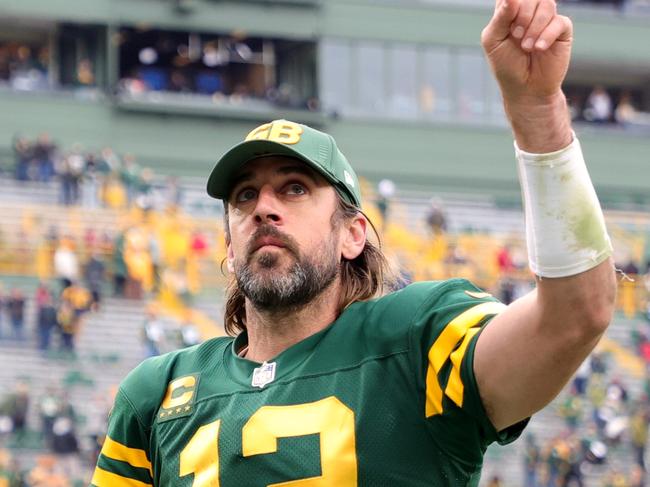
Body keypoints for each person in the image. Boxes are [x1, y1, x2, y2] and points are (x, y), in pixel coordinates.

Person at [92, 1, 617, 485]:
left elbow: (577, 315)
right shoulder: (155, 394)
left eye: (294, 188)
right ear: (228, 243)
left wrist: (538, 111)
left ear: (353, 234)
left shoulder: (416, 341)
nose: (263, 207)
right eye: (244, 196)